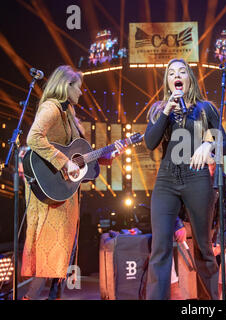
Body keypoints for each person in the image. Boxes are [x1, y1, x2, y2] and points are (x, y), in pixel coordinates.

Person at [21, 65, 125, 300]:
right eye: (78, 88)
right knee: (51, 249)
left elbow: (81, 156)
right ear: (66, 86)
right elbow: (33, 138)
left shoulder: (69, 115)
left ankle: (54, 297)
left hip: (64, 191)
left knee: (65, 250)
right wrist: (64, 162)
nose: (81, 93)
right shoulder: (51, 108)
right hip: (51, 188)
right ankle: (30, 297)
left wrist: (108, 156)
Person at [144, 58, 226, 300]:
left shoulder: (205, 108)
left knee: (203, 247)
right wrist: (167, 109)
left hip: (196, 178)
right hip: (166, 180)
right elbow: (150, 142)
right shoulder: (160, 110)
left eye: (182, 71)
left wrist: (208, 144)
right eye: (171, 73)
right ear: (168, 81)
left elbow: (224, 143)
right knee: (160, 247)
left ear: (189, 78)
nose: (176, 75)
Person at [172, 162, 226, 300]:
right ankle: (174, 289)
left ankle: (219, 287)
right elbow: (171, 202)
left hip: (208, 226)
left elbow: (222, 208)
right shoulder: (187, 174)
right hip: (186, 224)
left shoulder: (219, 176)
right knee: (163, 238)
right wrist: (177, 225)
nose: (211, 168)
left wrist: (218, 239)